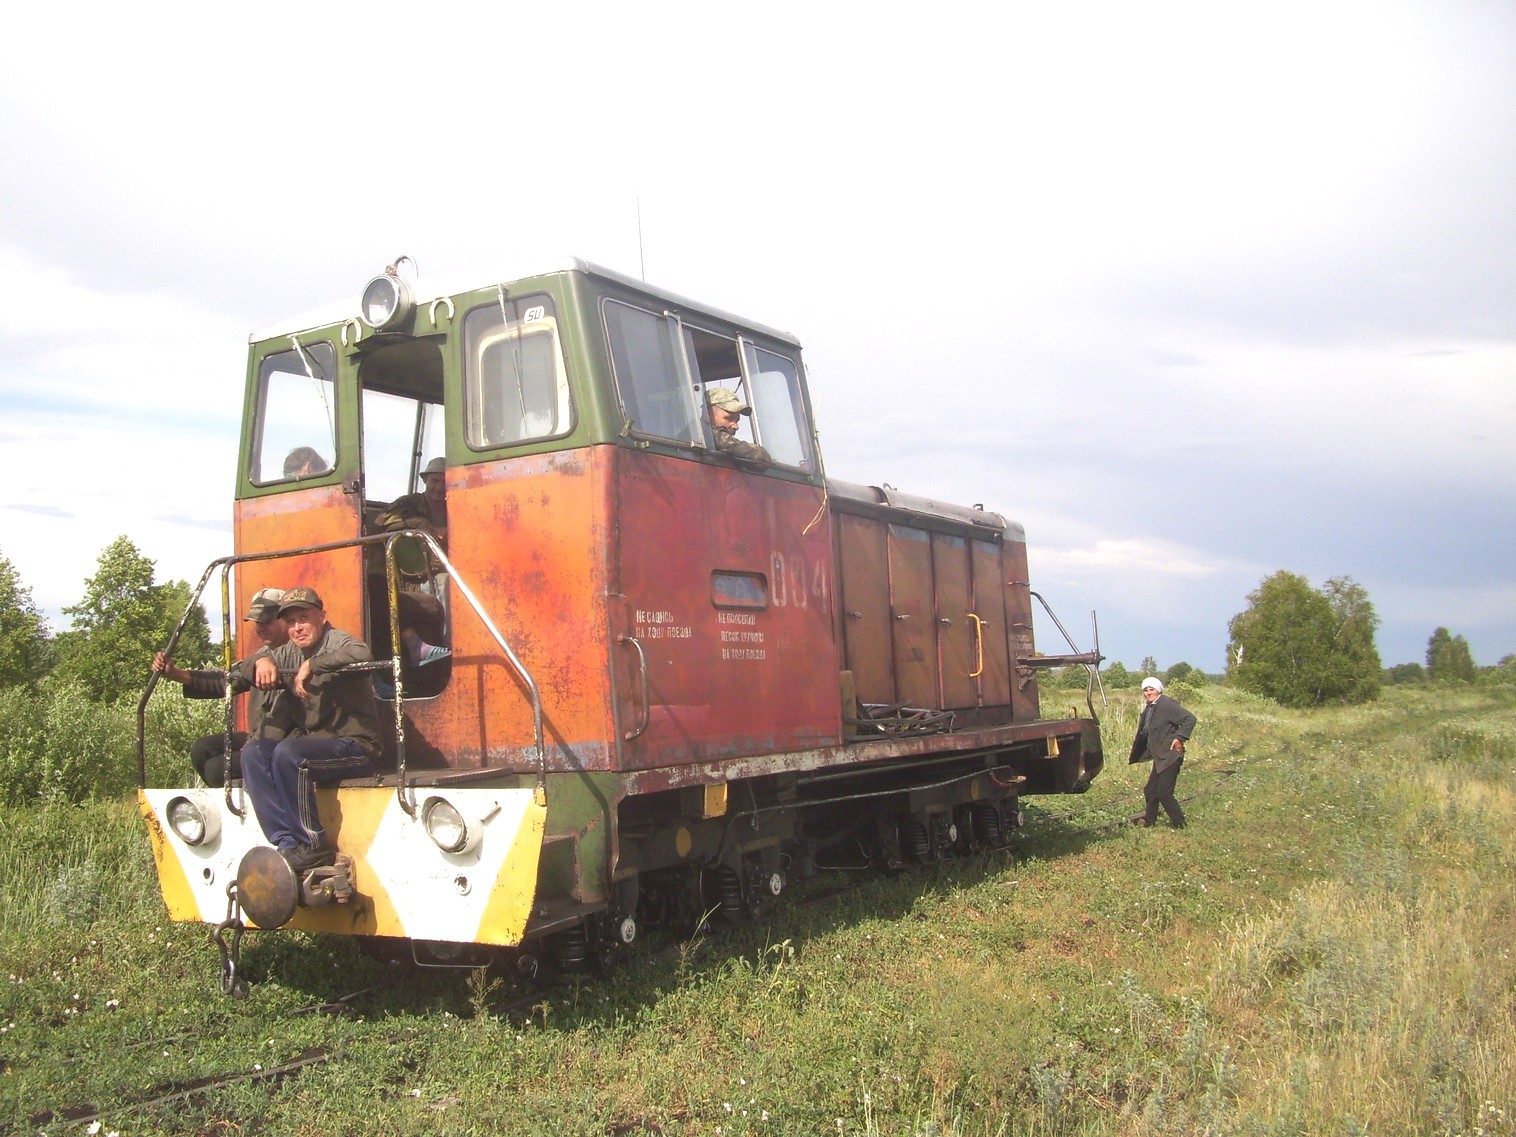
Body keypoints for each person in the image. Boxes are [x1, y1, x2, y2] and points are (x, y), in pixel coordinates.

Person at [239, 587, 381, 873]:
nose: (297, 628)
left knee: (290, 754)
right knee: (254, 752)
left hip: (357, 748)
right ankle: (287, 843)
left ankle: (313, 845)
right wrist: (261, 661)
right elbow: (245, 667)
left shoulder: (336, 640)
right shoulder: (288, 652)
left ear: (322, 617)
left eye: (304, 618)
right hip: (317, 748)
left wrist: (314, 665)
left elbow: (362, 652)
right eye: (290, 622)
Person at [152, 588, 301, 786]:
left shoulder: (300, 652)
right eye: (258, 622)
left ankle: (261, 803)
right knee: (202, 748)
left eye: (268, 621)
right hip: (260, 735)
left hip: (287, 741)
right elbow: (226, 680)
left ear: (285, 619)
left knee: (216, 769)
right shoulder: (262, 655)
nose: (261, 628)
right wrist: (176, 674)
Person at [374, 456, 450, 666]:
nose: (439, 487)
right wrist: (425, 527)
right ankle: (450, 651)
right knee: (446, 584)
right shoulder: (410, 503)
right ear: (425, 480)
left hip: (449, 565)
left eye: (445, 482)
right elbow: (382, 520)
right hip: (418, 576)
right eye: (435, 481)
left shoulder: (454, 506)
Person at [1128, 676, 1196, 828]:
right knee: (1151, 790)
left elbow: (1190, 719)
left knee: (1164, 793)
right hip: (1160, 756)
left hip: (1170, 755)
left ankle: (1180, 824)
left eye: (1151, 689)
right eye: (1145, 690)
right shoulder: (1151, 707)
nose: (1148, 692)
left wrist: (1180, 737)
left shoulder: (1166, 704)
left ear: (1158, 690)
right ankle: (1149, 821)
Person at [704, 387, 773, 469]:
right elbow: (760, 458)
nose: (736, 426)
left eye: (737, 421)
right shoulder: (696, 435)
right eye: (728, 418)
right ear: (708, 414)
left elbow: (763, 458)